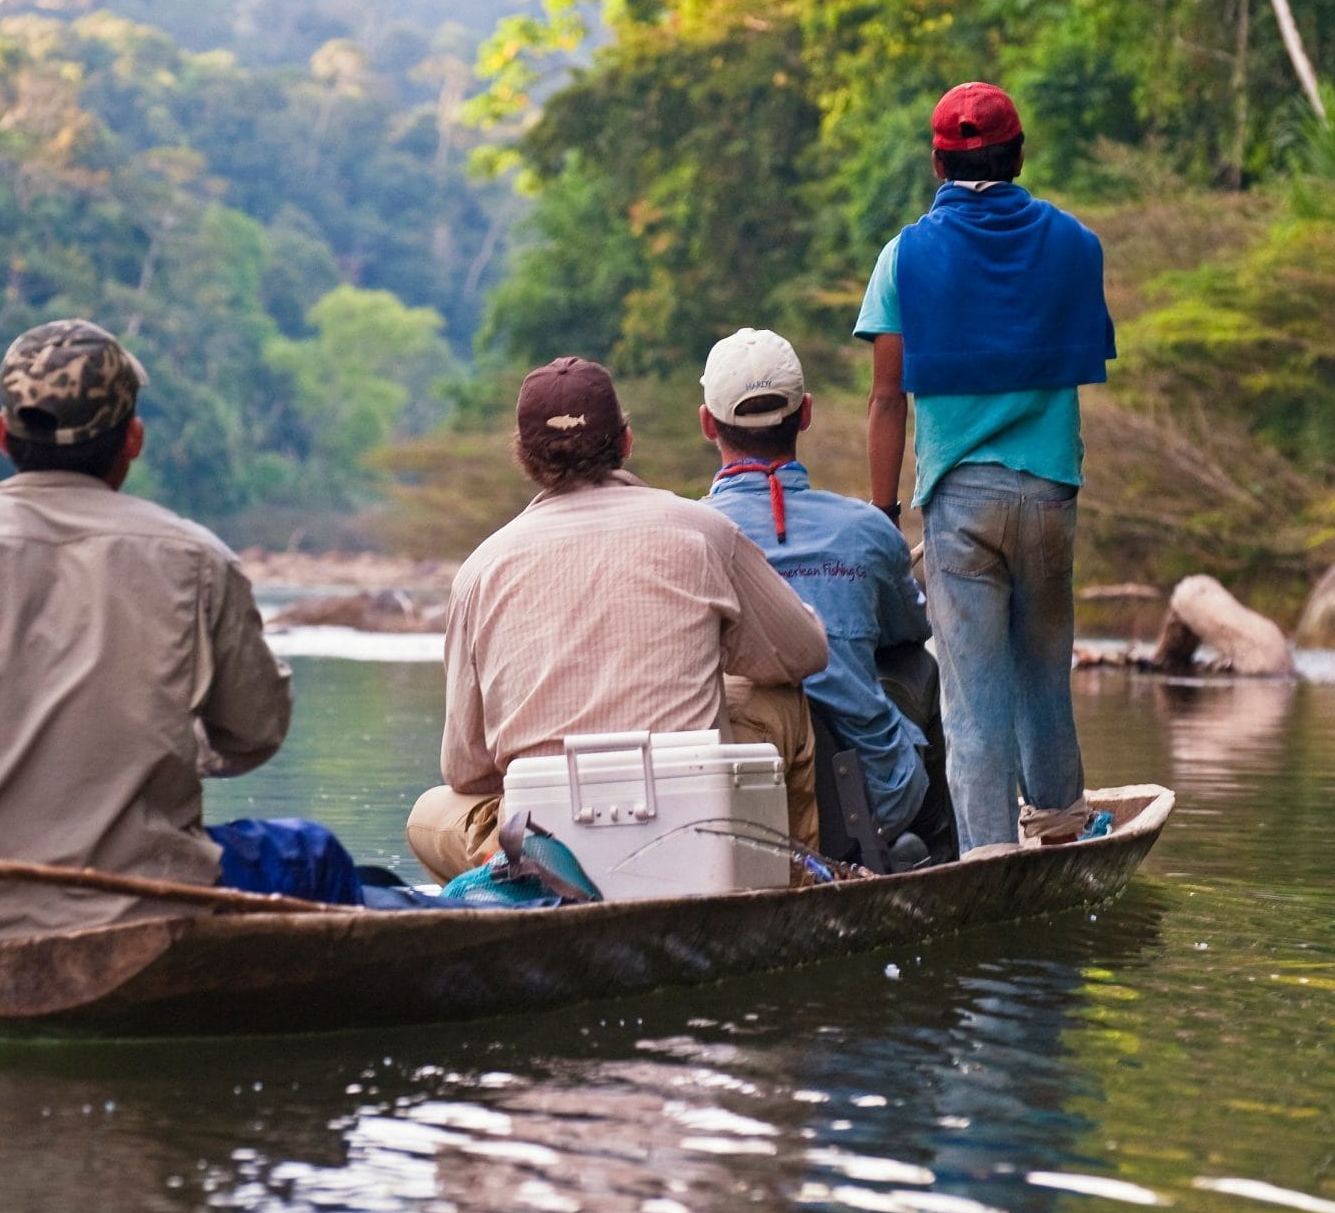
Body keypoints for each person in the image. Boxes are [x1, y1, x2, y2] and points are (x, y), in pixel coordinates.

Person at [0, 319, 353, 954]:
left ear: (0, 434)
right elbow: (255, 730)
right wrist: (160, 743)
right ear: (133, 442)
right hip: (146, 910)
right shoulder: (198, 559)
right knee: (312, 856)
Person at [408, 356, 831, 881]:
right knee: (779, 696)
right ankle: (796, 886)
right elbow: (805, 654)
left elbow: (466, 769)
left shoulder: (479, 569)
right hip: (690, 817)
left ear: (523, 456)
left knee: (430, 811)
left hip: (542, 838)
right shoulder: (702, 529)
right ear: (626, 441)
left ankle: (517, 905)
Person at [857, 82, 1115, 855]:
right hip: (1047, 494)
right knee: (1044, 668)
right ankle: (1062, 827)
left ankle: (988, 856)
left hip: (957, 499)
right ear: (1020, 153)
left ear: (938, 162)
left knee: (973, 698)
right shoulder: (1076, 243)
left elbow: (885, 401)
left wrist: (884, 511)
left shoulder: (904, 256)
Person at [694, 327, 954, 861]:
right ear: (805, 413)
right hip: (870, 797)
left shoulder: (684, 535)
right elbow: (910, 630)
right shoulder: (865, 528)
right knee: (918, 666)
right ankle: (947, 856)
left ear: (707, 423)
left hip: (729, 796)